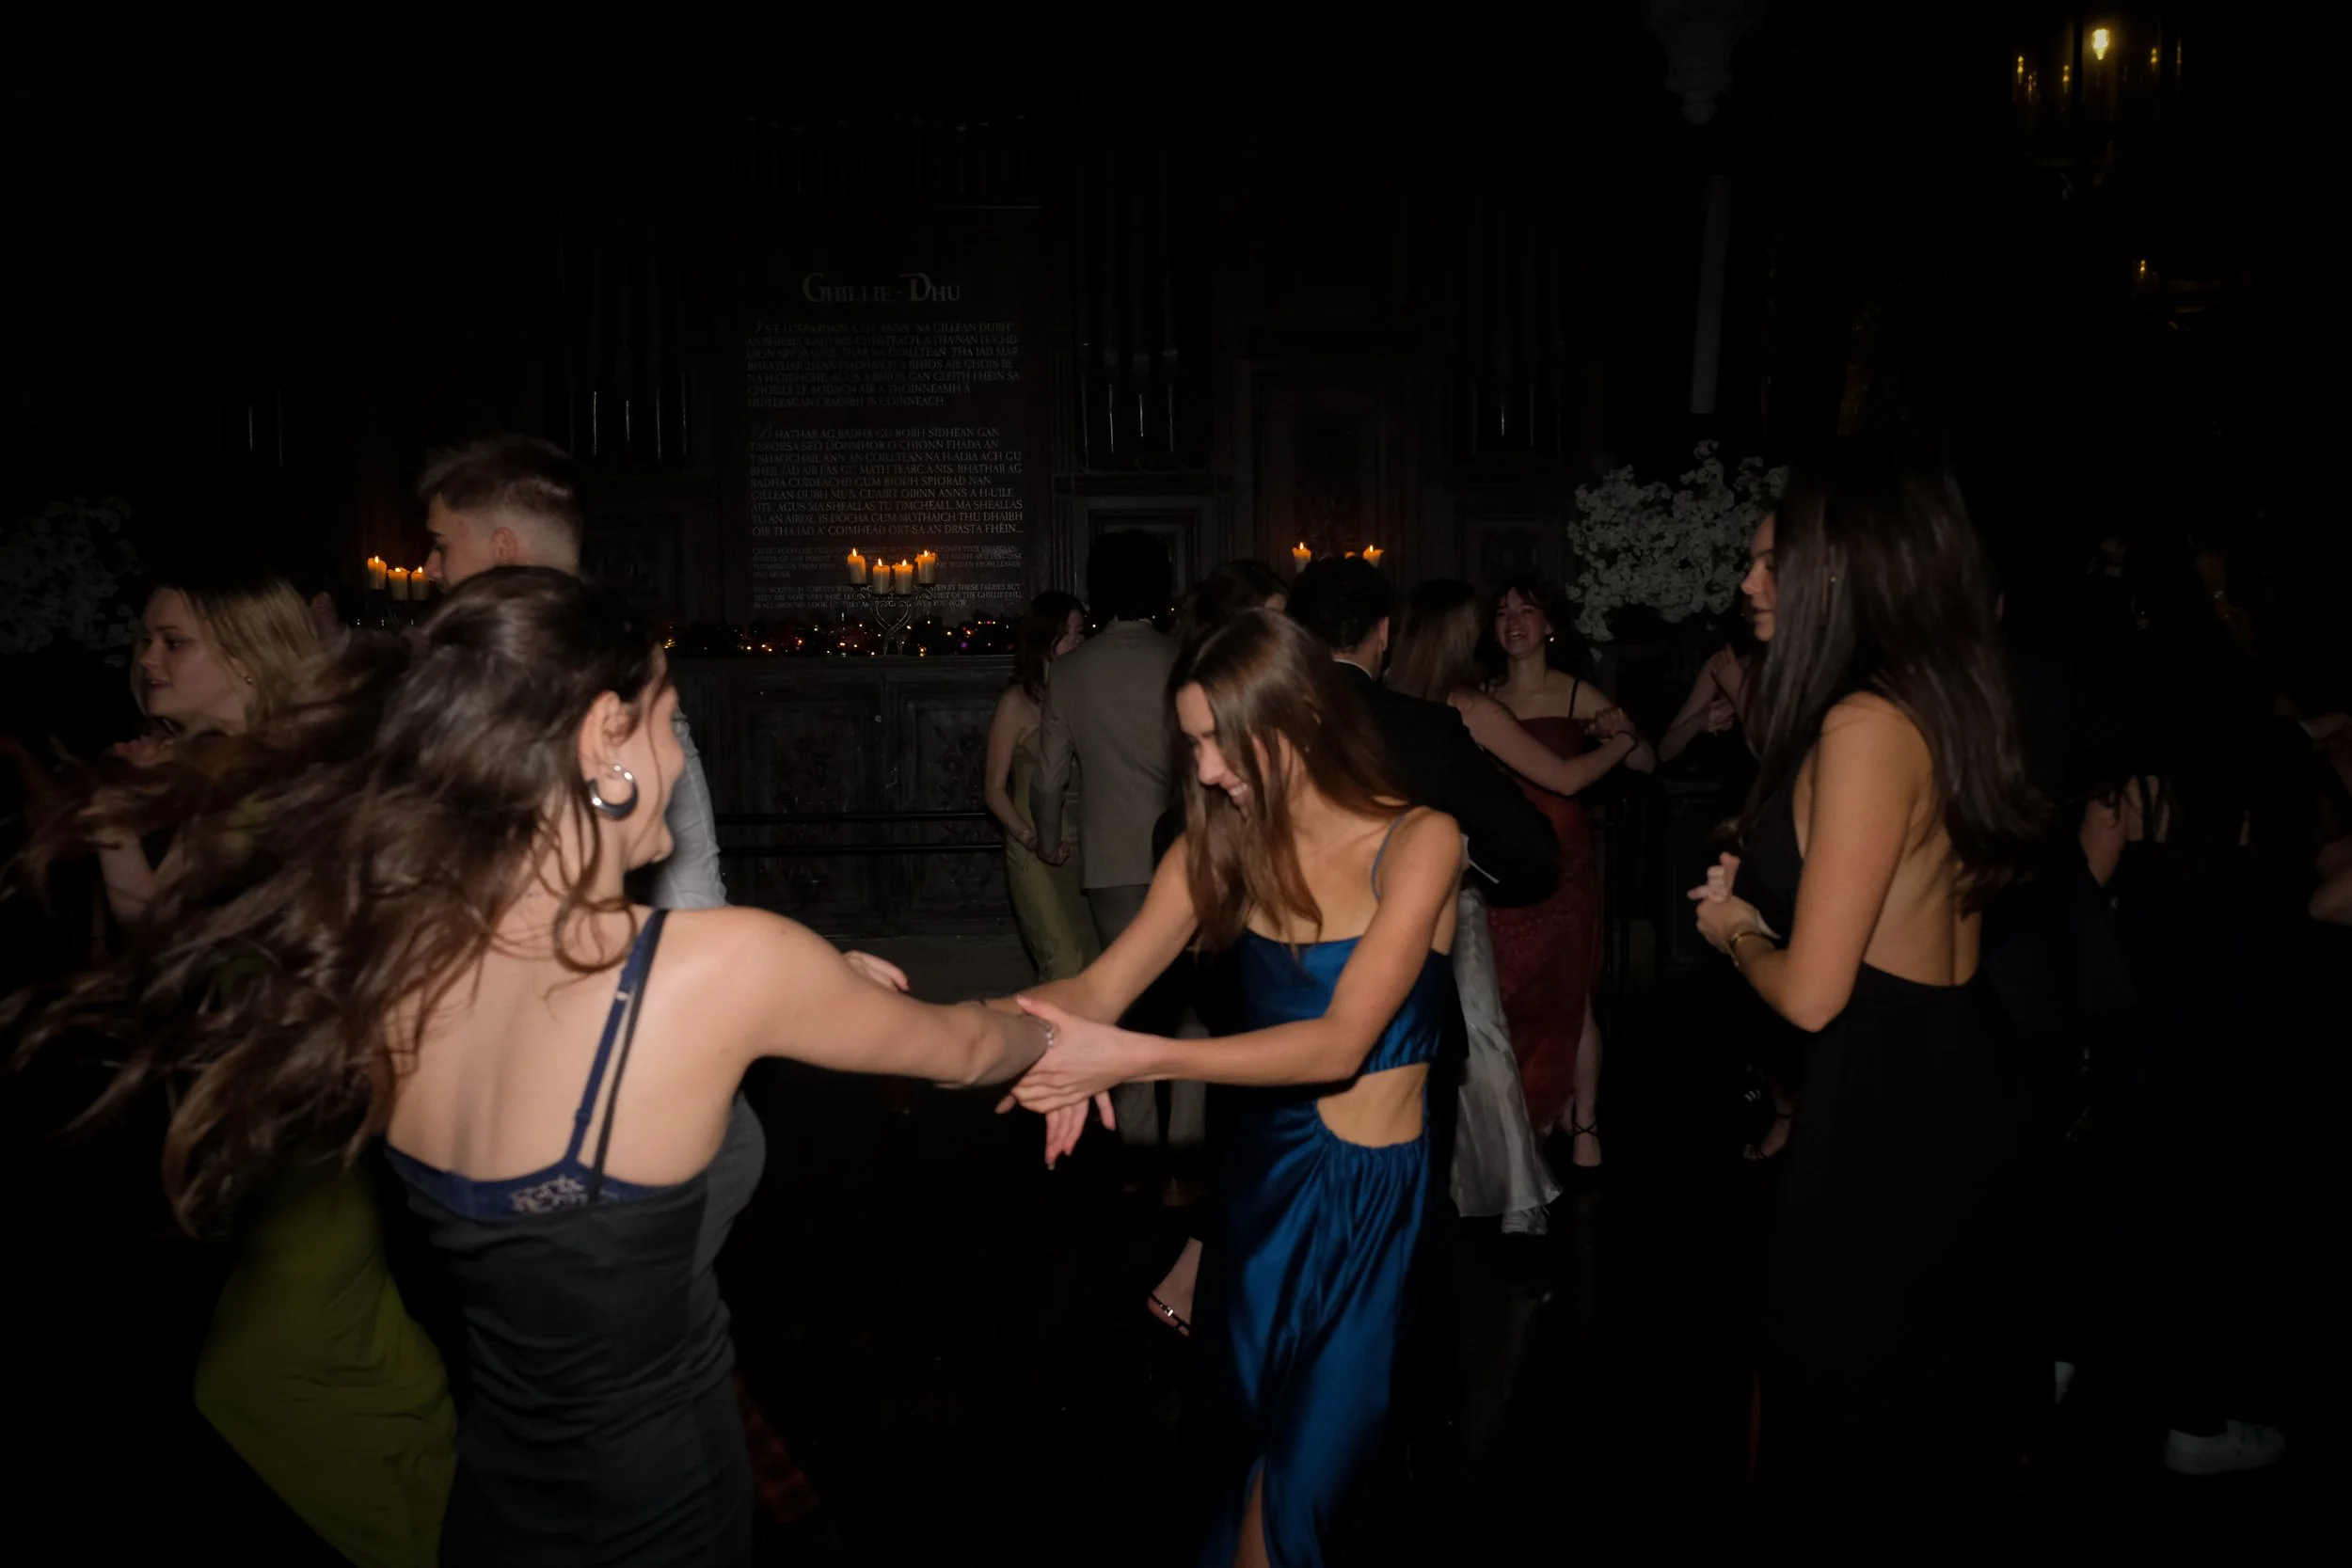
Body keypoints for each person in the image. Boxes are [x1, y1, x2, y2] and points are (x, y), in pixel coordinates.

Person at [9, 568, 1051, 1565]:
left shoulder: (386, 957)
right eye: (667, 715)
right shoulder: (721, 966)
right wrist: (1067, 1020)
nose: (681, 758)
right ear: (607, 732)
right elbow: (973, 1047)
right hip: (660, 1513)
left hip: (494, 1506)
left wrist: (796, 989)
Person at [1003, 609, 1464, 1567]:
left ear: (1298, 711)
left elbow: (1339, 1043)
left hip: (1371, 1210)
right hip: (1263, 1194)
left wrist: (1134, 1058)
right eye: (1195, 742)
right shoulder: (1218, 847)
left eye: (1220, 737)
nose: (1206, 767)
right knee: (1236, 1468)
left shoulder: (1420, 840)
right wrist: (934, 1028)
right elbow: (1094, 988)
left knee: (1298, 1499)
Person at [1687, 443, 2043, 1536]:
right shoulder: (1944, 697)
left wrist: (1735, 927)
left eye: (1773, 562)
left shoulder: (1862, 725)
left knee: (1834, 1410)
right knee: (1923, 1410)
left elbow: (1808, 995)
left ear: (1847, 570)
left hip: (1880, 1110)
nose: (1749, 584)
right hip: (1963, 1066)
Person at [421, 434, 725, 912]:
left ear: (502, 548)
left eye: (441, 545)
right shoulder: (623, 655)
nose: (430, 568)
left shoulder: (618, 663)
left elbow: (688, 887)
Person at [1031, 531, 1200, 1178]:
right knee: (1189, 1008)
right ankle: (1185, 1159)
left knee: (1124, 1002)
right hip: (1189, 852)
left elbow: (1048, 777)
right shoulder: (1184, 658)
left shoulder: (1072, 670)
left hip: (1111, 856)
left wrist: (1048, 842)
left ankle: (1135, 1155)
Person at [1486, 576, 1654, 1168]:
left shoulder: (1577, 692)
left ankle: (1585, 1125)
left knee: (1574, 998)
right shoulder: (1484, 698)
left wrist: (1619, 733)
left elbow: (1644, 758)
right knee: (1510, 1001)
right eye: (1504, 611)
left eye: (1526, 610)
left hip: (1568, 869)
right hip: (1505, 873)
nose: (1513, 621)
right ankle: (1524, 1118)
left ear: (1549, 625)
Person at [985, 592, 1098, 981]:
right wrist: (1030, 838)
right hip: (1031, 847)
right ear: (1044, 639)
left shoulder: (1084, 697)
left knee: (1093, 961)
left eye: (1081, 632)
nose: (1076, 642)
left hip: (1079, 847)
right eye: (1067, 633)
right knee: (1064, 960)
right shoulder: (1015, 703)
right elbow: (994, 790)